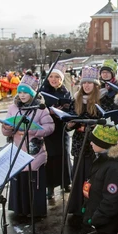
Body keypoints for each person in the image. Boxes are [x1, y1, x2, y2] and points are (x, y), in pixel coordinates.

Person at [1, 74, 54, 217]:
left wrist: (32, 130)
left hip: (34, 151)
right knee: (20, 182)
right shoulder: (13, 108)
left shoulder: (41, 108)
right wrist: (7, 128)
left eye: (25, 92)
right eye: (20, 92)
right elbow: (6, 131)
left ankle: (35, 211)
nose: (22, 95)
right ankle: (20, 209)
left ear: (32, 93)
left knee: (33, 182)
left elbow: (50, 127)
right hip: (17, 150)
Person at [68, 66, 104, 216]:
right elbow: (70, 121)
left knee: (91, 177)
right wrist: (70, 123)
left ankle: (90, 207)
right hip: (78, 145)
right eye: (84, 83)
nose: (86, 86)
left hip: (93, 145)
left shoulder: (101, 100)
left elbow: (104, 121)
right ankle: (77, 206)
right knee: (78, 176)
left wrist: (88, 126)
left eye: (90, 83)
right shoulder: (76, 99)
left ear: (95, 85)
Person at [41, 62, 72, 200]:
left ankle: (66, 182)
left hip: (61, 127)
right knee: (51, 157)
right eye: (51, 76)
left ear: (61, 79)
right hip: (48, 129)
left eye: (57, 77)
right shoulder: (43, 92)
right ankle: (50, 187)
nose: (53, 79)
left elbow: (70, 109)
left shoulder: (65, 92)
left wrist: (61, 110)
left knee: (63, 154)